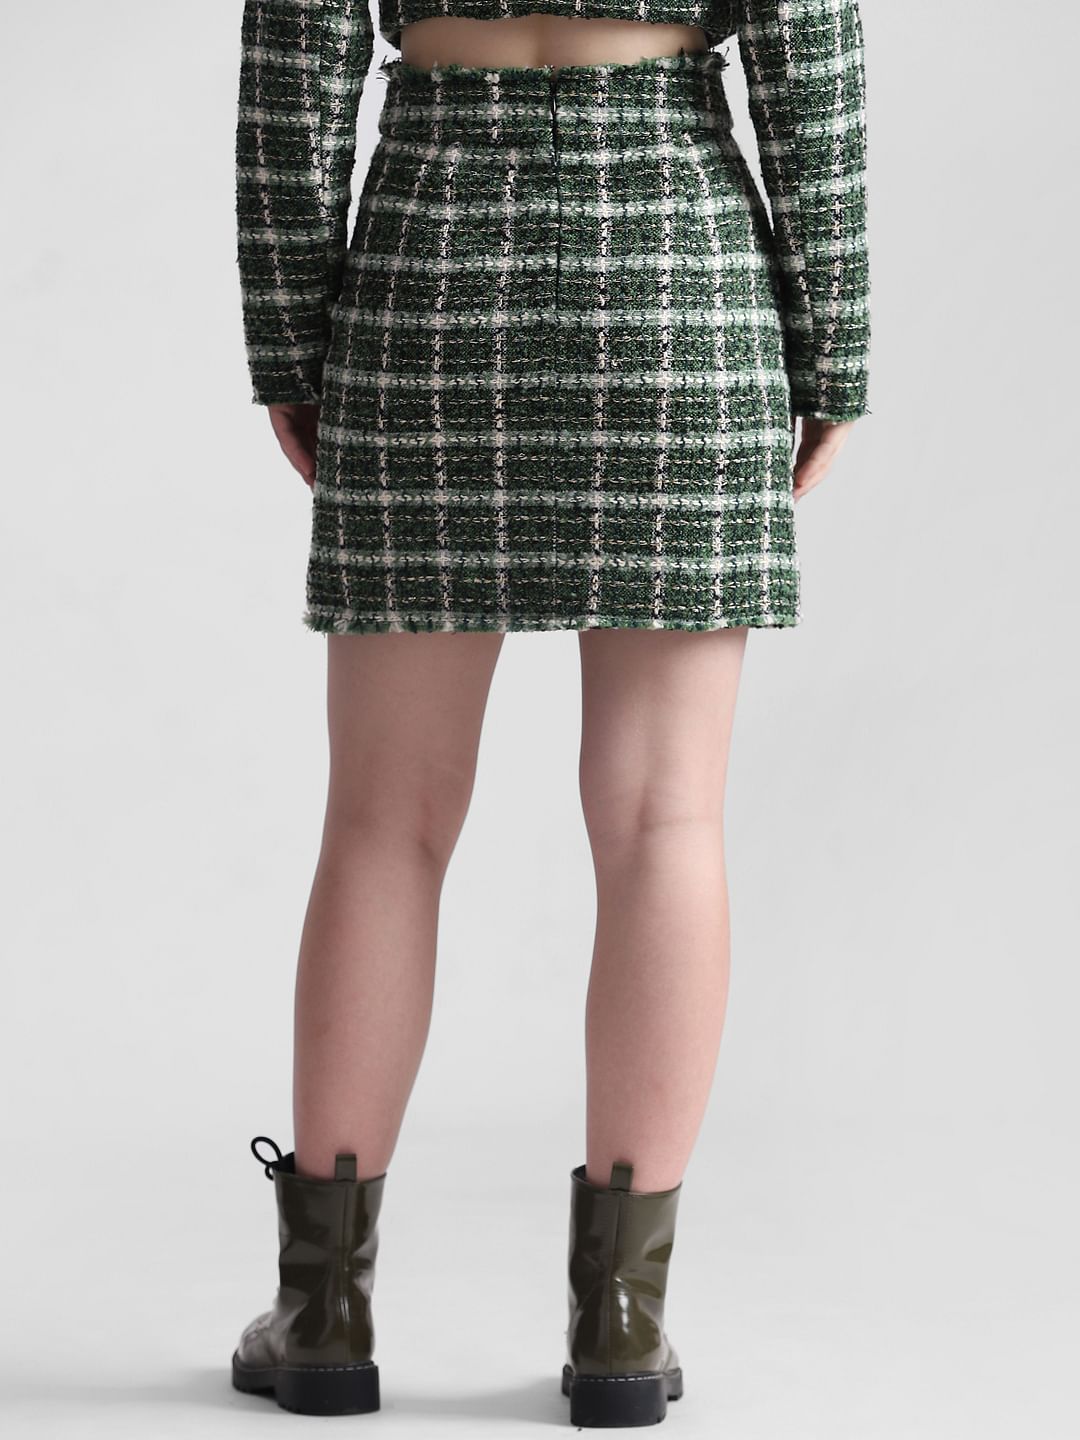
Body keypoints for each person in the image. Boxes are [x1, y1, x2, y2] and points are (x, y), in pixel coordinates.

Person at [230, 0, 870, 1425]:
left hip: (431, 262)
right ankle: (622, 1328)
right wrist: (833, 348)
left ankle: (323, 1309)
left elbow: (296, 64)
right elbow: (809, 57)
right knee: (663, 822)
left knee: (385, 822)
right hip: (674, 262)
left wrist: (292, 341)